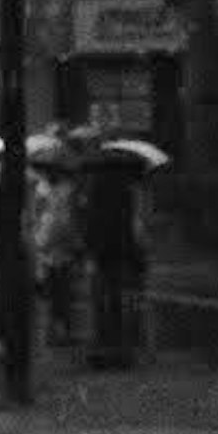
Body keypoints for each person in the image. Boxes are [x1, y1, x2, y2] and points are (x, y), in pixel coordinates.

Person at [78, 156, 147, 368]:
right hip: (122, 250)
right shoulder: (128, 192)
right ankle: (120, 348)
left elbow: (88, 222)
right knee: (119, 298)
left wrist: (87, 248)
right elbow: (134, 225)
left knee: (101, 299)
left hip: (101, 251)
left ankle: (103, 346)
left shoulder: (94, 192)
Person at [26, 165, 82, 343]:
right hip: (52, 245)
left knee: (58, 292)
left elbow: (36, 213)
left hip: (54, 244)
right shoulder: (56, 188)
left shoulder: (54, 188)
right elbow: (37, 213)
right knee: (57, 292)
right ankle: (56, 330)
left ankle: (57, 330)